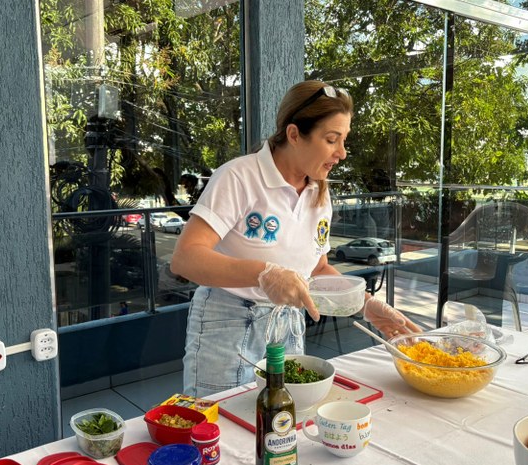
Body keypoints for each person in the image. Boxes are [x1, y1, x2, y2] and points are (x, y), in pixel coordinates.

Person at [170, 80, 422, 397]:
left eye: (344, 140)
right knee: (224, 421)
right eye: (332, 140)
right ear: (294, 135)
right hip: (228, 321)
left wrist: (365, 305)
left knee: (283, 421)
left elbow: (316, 271)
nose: (342, 153)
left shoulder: (319, 193)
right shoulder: (239, 176)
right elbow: (186, 257)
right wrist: (264, 273)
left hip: (287, 324)